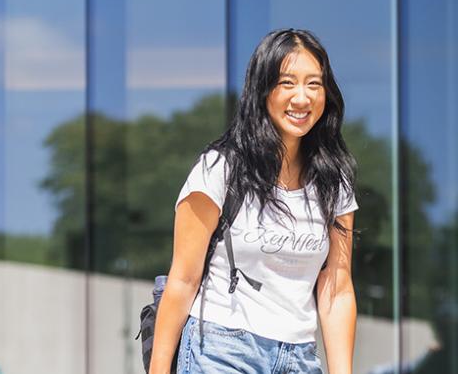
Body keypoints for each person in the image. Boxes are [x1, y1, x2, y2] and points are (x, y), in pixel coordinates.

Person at [147, 29, 359, 374]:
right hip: (221, 350)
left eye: (314, 84)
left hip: (299, 357)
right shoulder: (221, 169)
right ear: (262, 91)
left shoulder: (334, 184)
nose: (302, 98)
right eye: (287, 83)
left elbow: (337, 289)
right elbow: (183, 279)